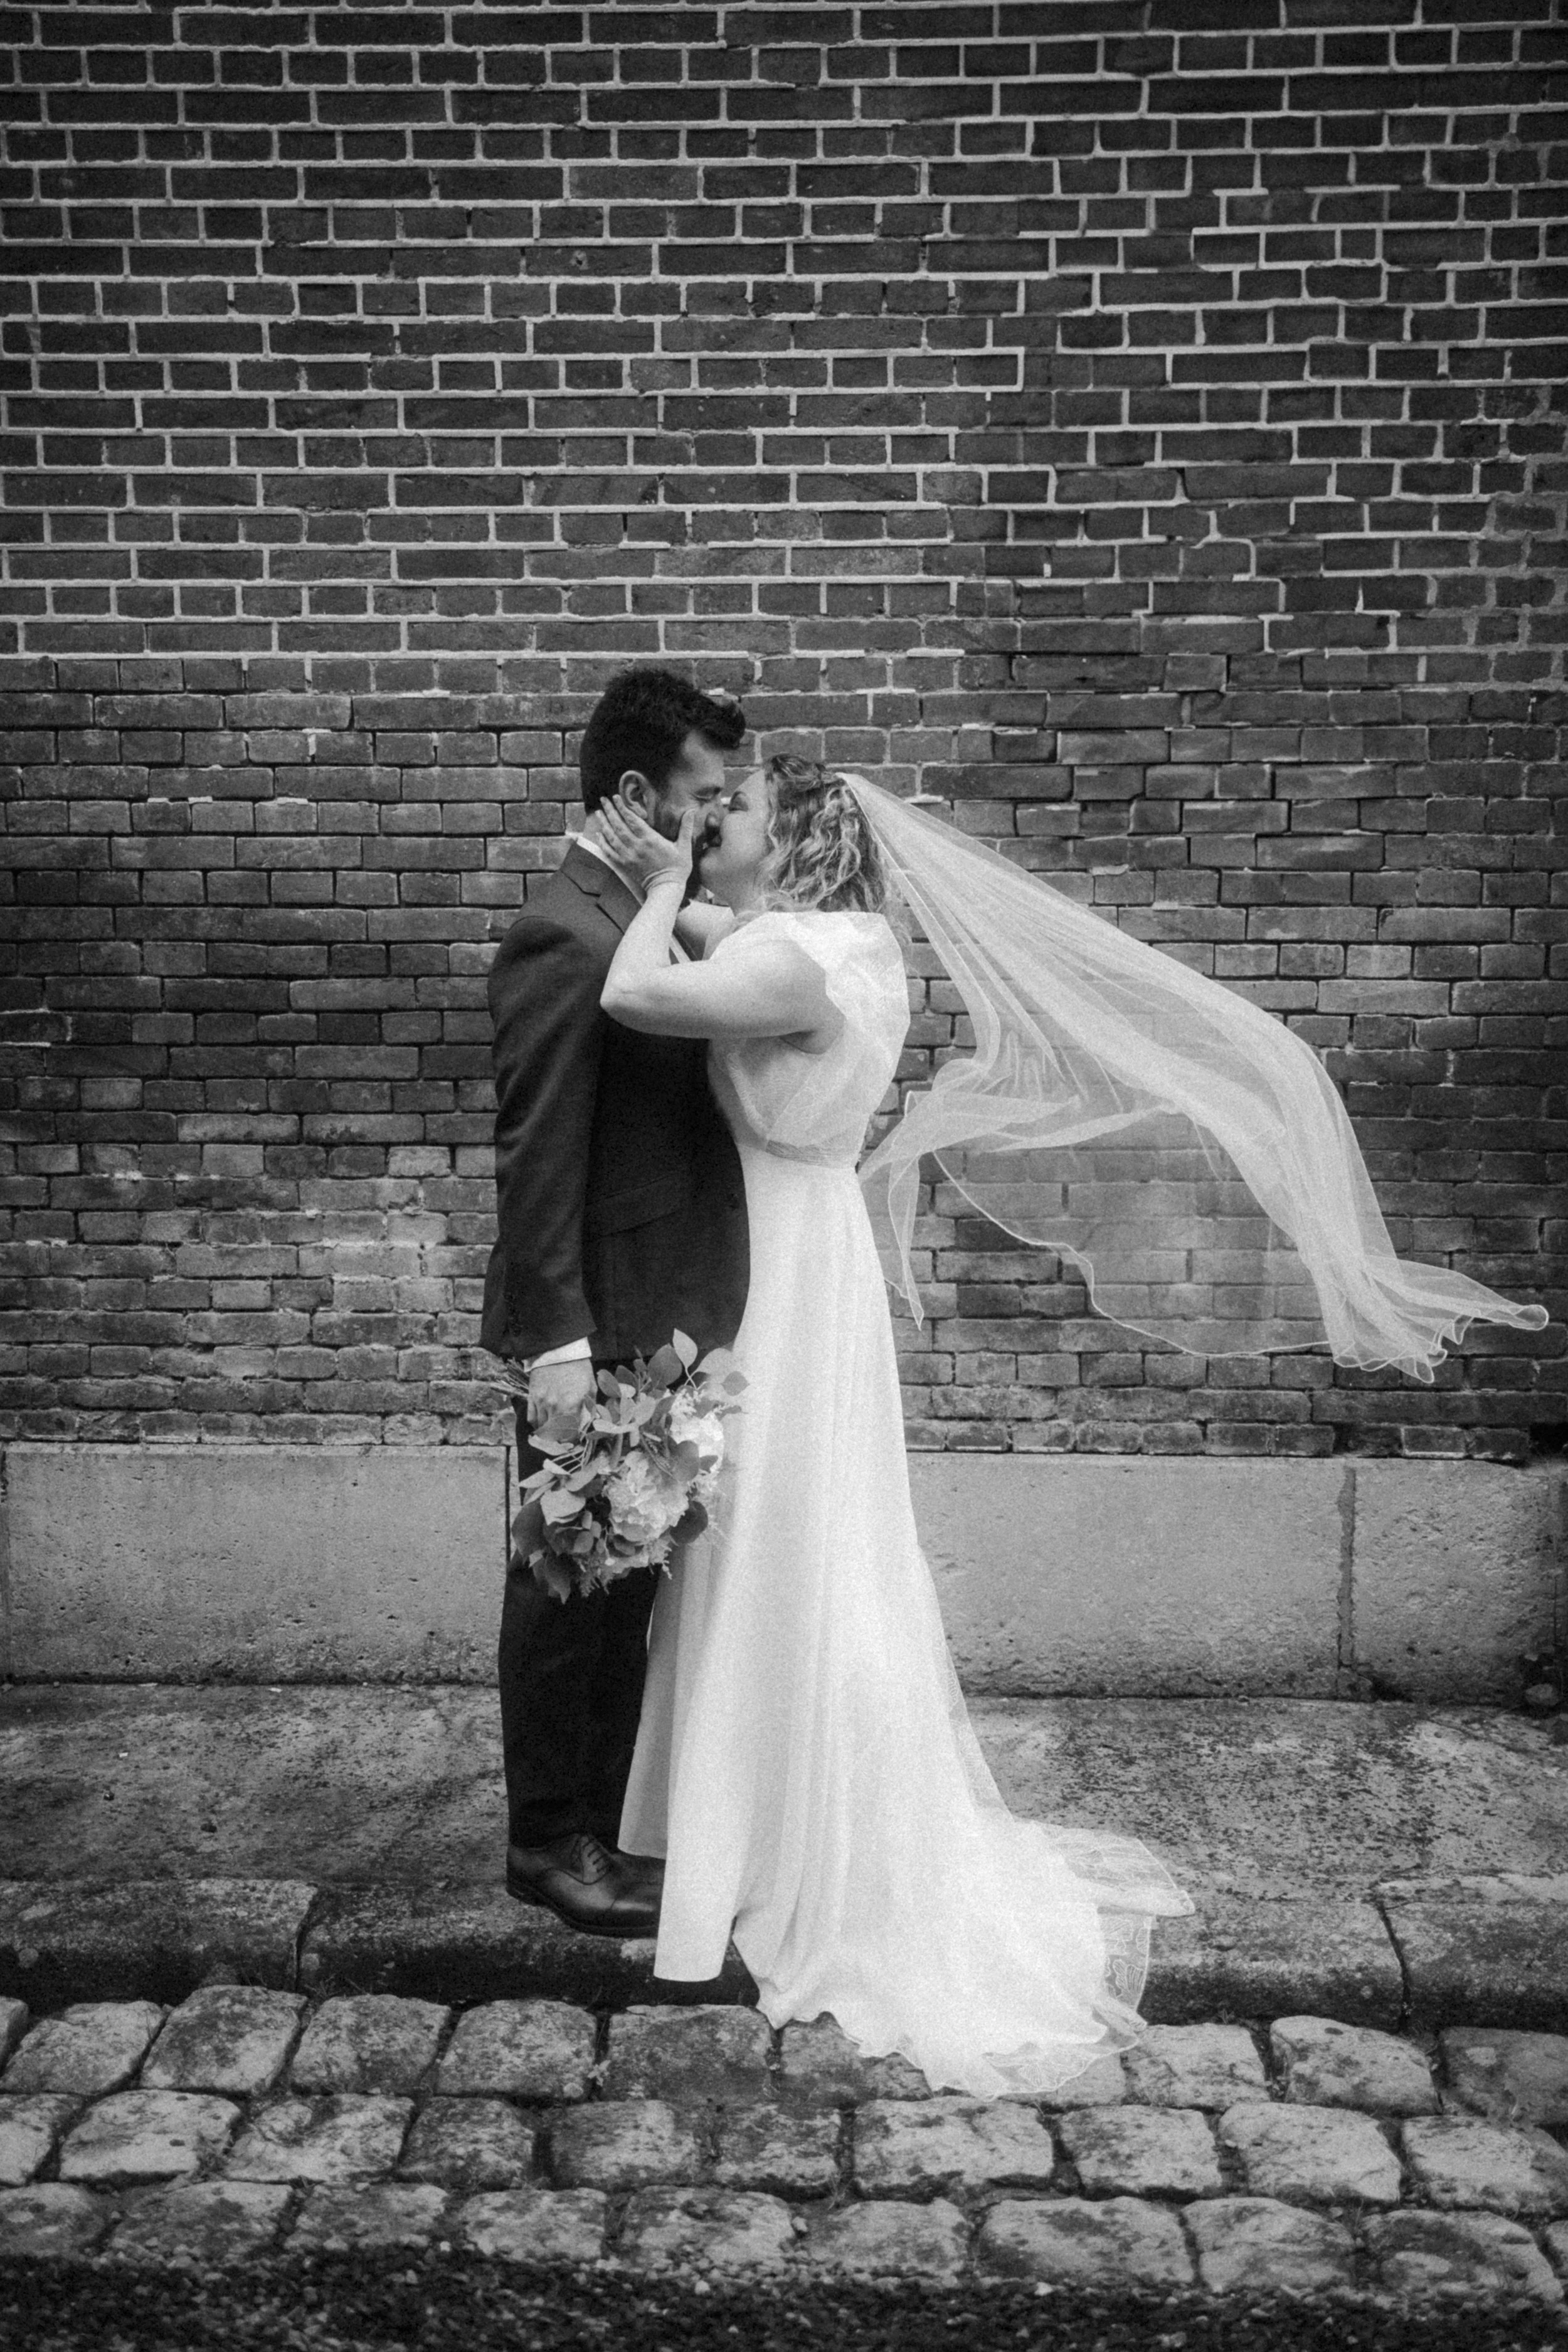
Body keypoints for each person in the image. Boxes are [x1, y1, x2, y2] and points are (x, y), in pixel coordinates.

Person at [589, 753, 1547, 2097]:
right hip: (796, 1262)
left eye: (729, 813)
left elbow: (639, 986)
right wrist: (691, 889)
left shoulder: (796, 963)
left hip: (786, 1277)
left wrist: (648, 883)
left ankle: (789, 1853)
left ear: (793, 847)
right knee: (798, 1550)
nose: (705, 828)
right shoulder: (839, 945)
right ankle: (762, 1830)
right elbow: (717, 948)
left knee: (784, 1555)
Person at [480, 670, 749, 1939]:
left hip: (663, 1316)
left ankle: (598, 1826)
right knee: (562, 1586)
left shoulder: (653, 912)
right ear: (636, 795)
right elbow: (535, 1151)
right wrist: (558, 1345)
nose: (715, 821)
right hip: (592, 1320)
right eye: (702, 800)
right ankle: (546, 1846)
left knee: (623, 1584)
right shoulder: (562, 931)